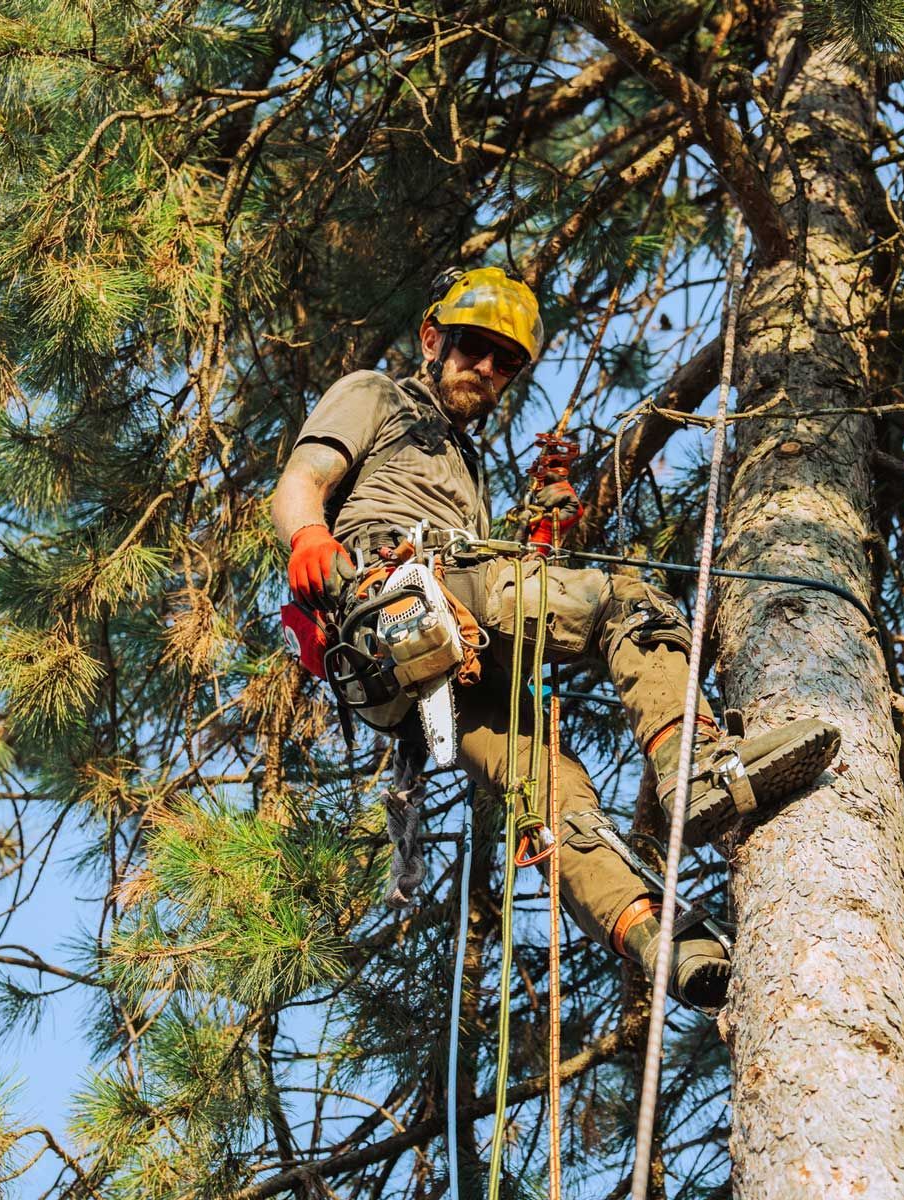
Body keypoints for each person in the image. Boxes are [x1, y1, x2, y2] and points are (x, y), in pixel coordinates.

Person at [271, 267, 840, 1009]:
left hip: (427, 652)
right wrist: (309, 535)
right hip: (401, 594)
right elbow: (301, 476)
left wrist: (539, 533)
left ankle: (651, 935)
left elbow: (509, 595)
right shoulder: (378, 394)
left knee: (551, 790)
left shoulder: (463, 463)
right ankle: (694, 767)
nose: (486, 368)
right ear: (432, 338)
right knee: (626, 600)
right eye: (475, 346)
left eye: (506, 361)